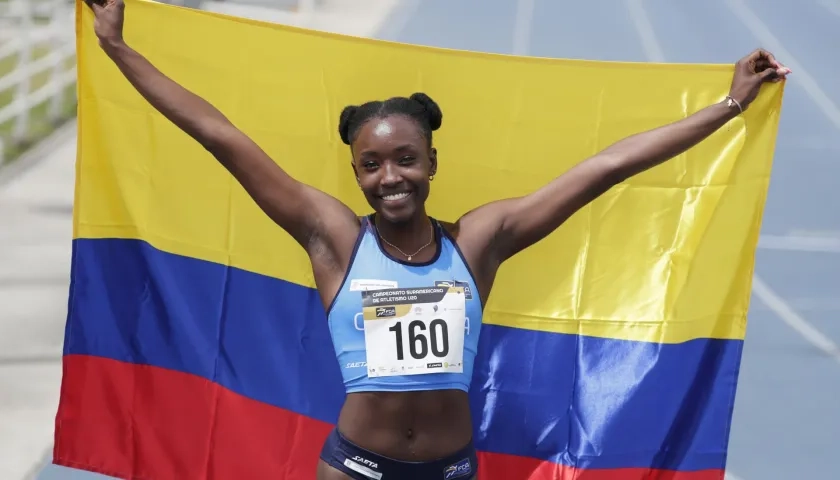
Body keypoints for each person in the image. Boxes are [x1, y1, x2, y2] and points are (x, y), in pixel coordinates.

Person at [84, 1, 789, 479]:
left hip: (451, 469)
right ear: (356, 172)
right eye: (371, 164)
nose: (390, 177)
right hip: (357, 464)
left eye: (405, 159)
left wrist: (729, 105)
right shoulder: (332, 237)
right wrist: (116, 48)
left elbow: (607, 168)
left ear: (432, 164)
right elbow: (219, 134)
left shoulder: (480, 240)